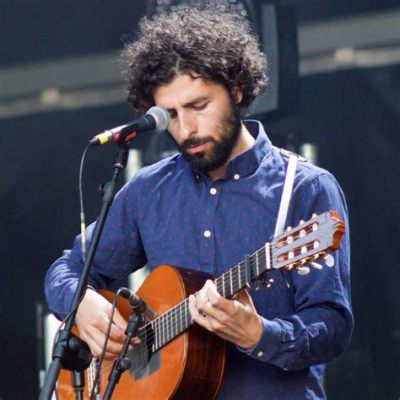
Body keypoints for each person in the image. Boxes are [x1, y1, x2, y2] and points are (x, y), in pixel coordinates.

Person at [45, 5, 353, 399]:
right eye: (170, 114)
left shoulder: (305, 189)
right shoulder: (148, 190)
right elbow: (67, 269)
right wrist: (82, 303)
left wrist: (259, 334)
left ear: (236, 88)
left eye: (198, 106)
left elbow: (332, 326)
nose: (186, 128)